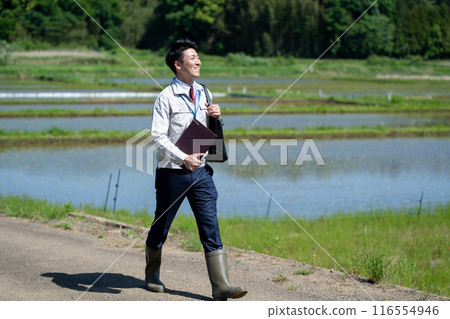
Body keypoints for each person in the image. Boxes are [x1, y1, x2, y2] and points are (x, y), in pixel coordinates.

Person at [144, 38, 247, 301]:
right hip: (172, 172)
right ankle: (152, 274)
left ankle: (221, 285)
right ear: (178, 65)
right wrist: (182, 159)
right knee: (161, 226)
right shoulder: (165, 98)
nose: (198, 61)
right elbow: (158, 137)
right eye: (192, 57)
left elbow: (208, 131)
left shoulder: (204, 92)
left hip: (200, 172)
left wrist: (216, 116)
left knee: (210, 224)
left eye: (198, 56)